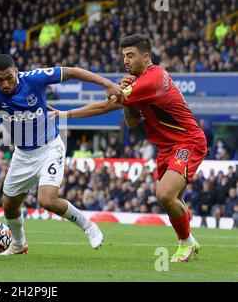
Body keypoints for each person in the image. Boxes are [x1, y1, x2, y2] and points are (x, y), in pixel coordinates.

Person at [49, 34, 207, 262]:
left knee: (164, 194)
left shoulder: (153, 78)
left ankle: (186, 243)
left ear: (146, 56)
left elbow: (106, 105)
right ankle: (189, 240)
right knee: (174, 199)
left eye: (130, 55)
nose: (125, 60)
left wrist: (65, 114)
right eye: (124, 55)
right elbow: (132, 122)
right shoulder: (139, 82)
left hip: (187, 142)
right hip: (166, 148)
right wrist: (127, 101)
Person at [0, 53, 123, 255]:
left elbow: (73, 72)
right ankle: (19, 244)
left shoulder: (34, 78)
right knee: (9, 205)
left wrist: (107, 83)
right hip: (23, 154)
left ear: (16, 71)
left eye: (9, 78)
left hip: (50, 147)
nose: (5, 84)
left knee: (47, 200)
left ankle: (89, 226)